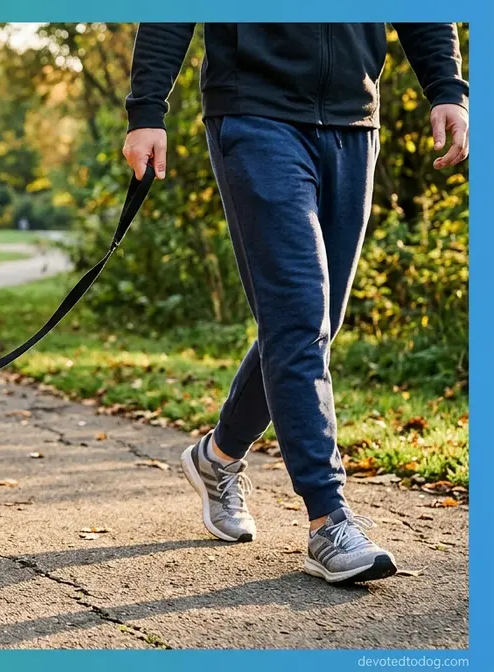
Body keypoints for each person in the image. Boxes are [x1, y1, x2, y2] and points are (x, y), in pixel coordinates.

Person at [122, 24, 468, 584]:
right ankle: (328, 519)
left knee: (312, 325)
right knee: (301, 320)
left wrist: (447, 88)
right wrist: (146, 110)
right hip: (254, 112)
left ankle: (218, 456)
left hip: (354, 117)